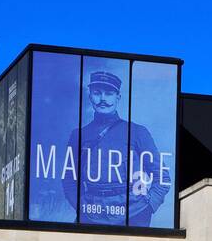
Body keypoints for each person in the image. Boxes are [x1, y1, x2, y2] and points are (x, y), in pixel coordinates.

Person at [62, 69, 169, 226]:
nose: (103, 99)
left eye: (109, 93)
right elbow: (69, 179)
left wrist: (148, 208)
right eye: (97, 93)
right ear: (90, 96)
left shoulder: (137, 132)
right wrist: (81, 207)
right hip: (92, 215)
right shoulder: (78, 135)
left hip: (133, 214)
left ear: (118, 97)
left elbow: (162, 177)